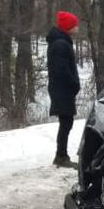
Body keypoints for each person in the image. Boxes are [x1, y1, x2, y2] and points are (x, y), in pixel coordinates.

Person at [46, 11, 81, 167]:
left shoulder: (62, 42)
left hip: (62, 88)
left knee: (67, 122)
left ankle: (61, 155)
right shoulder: (61, 44)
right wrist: (73, 83)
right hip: (62, 89)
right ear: (68, 27)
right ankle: (61, 156)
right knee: (66, 122)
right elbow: (62, 69)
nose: (77, 28)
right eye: (75, 25)